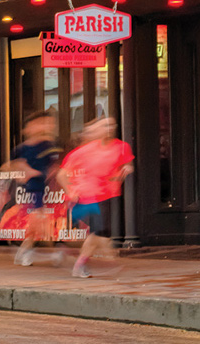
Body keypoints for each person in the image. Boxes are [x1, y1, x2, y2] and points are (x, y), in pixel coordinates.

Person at [57, 117, 134, 279]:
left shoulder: (121, 147)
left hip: (109, 195)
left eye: (111, 125)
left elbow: (128, 164)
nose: (109, 128)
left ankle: (73, 255)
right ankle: (80, 263)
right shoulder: (84, 151)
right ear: (95, 130)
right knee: (99, 232)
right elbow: (61, 174)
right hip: (88, 196)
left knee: (102, 233)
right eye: (104, 126)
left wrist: (126, 168)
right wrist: (70, 191)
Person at [7, 110, 62, 266]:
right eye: (41, 123)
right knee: (39, 221)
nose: (47, 126)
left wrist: (54, 171)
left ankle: (26, 251)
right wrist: (25, 172)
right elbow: (11, 165)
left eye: (48, 123)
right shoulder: (23, 148)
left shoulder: (49, 145)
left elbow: (55, 164)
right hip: (33, 189)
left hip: (47, 189)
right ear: (29, 128)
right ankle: (51, 253)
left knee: (39, 223)